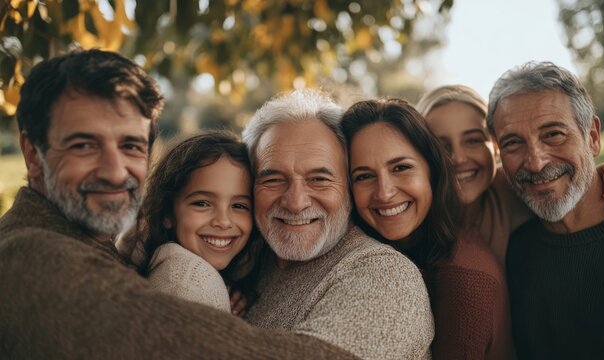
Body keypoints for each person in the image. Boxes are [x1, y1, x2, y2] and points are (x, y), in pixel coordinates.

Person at [0, 49, 357, 359]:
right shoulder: (33, 256)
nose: (114, 171)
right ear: (33, 154)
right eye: (83, 145)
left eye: (131, 146)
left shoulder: (103, 244)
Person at [241, 89, 433, 359]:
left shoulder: (383, 275)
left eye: (319, 179)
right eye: (273, 179)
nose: (295, 203)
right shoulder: (250, 261)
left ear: (349, 190)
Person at [487, 61, 604, 359]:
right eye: (512, 143)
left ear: (593, 137)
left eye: (553, 134)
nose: (535, 162)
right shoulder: (518, 250)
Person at [341, 98, 513, 360]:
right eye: (364, 176)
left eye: (401, 168)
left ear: (432, 171)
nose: (384, 193)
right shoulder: (371, 251)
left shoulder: (464, 280)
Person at [416, 84, 604, 263]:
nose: (458, 158)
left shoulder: (507, 187)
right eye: (440, 146)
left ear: (495, 147)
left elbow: (562, 176)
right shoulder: (418, 212)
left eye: (474, 140)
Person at [137, 131, 264, 313]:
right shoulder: (190, 283)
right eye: (202, 203)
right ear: (167, 213)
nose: (223, 221)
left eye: (239, 205)